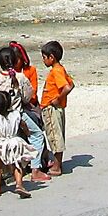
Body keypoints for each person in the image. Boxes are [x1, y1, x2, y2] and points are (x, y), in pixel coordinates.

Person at [0, 46, 49, 182]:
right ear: (15, 60)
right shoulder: (20, 77)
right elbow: (28, 97)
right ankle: (36, 168)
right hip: (17, 114)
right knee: (37, 135)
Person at [0, 90, 36, 198]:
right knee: (16, 164)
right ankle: (19, 184)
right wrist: (27, 133)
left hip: (1, 144)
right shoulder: (15, 114)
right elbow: (23, 125)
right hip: (14, 142)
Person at [40, 41, 74, 177]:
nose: (43, 60)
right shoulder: (60, 69)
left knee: (54, 136)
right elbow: (71, 84)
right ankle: (58, 163)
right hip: (57, 108)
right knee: (58, 134)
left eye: (44, 57)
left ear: (51, 57)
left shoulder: (56, 71)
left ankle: (56, 166)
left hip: (51, 108)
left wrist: (58, 98)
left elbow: (67, 87)